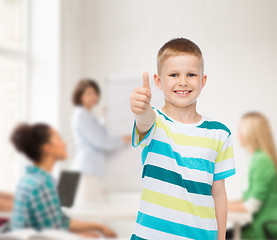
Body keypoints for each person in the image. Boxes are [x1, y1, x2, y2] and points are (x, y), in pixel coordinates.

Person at [129, 38, 236, 240]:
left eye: (191, 74)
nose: (183, 81)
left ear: (202, 80)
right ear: (158, 81)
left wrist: (221, 238)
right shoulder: (155, 122)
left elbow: (219, 194)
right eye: (174, 75)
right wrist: (140, 109)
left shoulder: (220, 133)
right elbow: (144, 121)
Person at [10, 123, 116, 238]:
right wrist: (84, 236)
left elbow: (60, 222)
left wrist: (98, 226)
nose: (64, 143)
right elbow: (52, 234)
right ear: (48, 148)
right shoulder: (42, 184)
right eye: (58, 138)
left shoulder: (29, 179)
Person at [71, 79, 131, 204]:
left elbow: (98, 134)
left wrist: (103, 117)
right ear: (80, 96)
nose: (94, 96)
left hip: (89, 171)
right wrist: (124, 139)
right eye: (89, 93)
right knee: (89, 214)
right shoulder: (82, 115)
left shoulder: (87, 115)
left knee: (91, 212)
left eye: (95, 93)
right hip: (87, 172)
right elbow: (101, 141)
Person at [227, 112, 277, 239]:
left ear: (251, 134)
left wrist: (216, 207)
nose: (238, 135)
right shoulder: (257, 159)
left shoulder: (262, 161)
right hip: (256, 228)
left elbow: (251, 206)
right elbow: (247, 199)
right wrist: (217, 204)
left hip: (263, 230)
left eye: (240, 130)